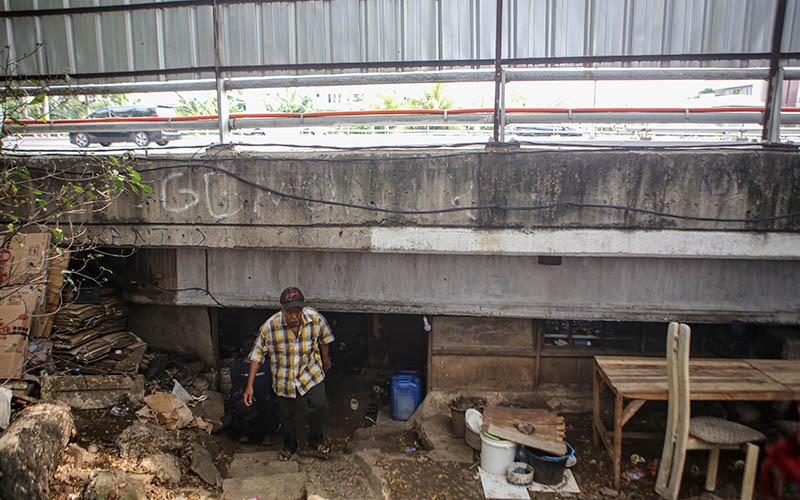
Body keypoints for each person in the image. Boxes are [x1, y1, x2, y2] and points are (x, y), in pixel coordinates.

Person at [243, 287, 334, 461]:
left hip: (310, 372)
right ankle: (290, 445)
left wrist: (325, 360)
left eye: (297, 311)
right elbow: (256, 356)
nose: (294, 316)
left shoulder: (315, 319)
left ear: (303, 309)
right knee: (286, 415)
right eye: (289, 312)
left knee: (319, 404)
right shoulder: (270, 327)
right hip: (283, 378)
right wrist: (249, 386)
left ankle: (316, 440)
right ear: (281, 310)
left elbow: (324, 339)